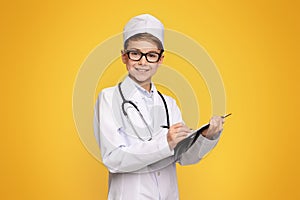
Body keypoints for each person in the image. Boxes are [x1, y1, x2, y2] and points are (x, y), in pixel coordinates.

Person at [93, 14, 224, 200]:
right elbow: (113, 158)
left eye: (151, 55)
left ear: (161, 59)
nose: (143, 62)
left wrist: (207, 137)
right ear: (124, 56)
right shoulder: (108, 98)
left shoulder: (169, 104)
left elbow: (184, 157)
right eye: (135, 53)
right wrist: (166, 143)